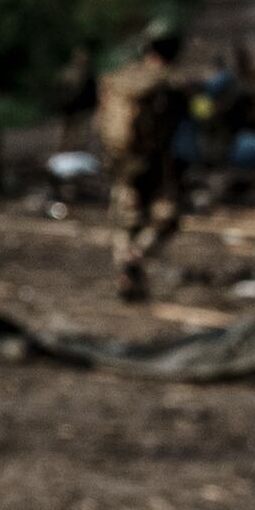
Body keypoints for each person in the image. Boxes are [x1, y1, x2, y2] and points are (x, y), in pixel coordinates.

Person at [92, 19, 193, 302]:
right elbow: (185, 130)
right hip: (159, 163)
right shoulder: (171, 84)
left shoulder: (117, 80)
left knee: (126, 223)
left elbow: (99, 124)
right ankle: (136, 254)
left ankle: (129, 278)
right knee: (166, 218)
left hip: (122, 162)